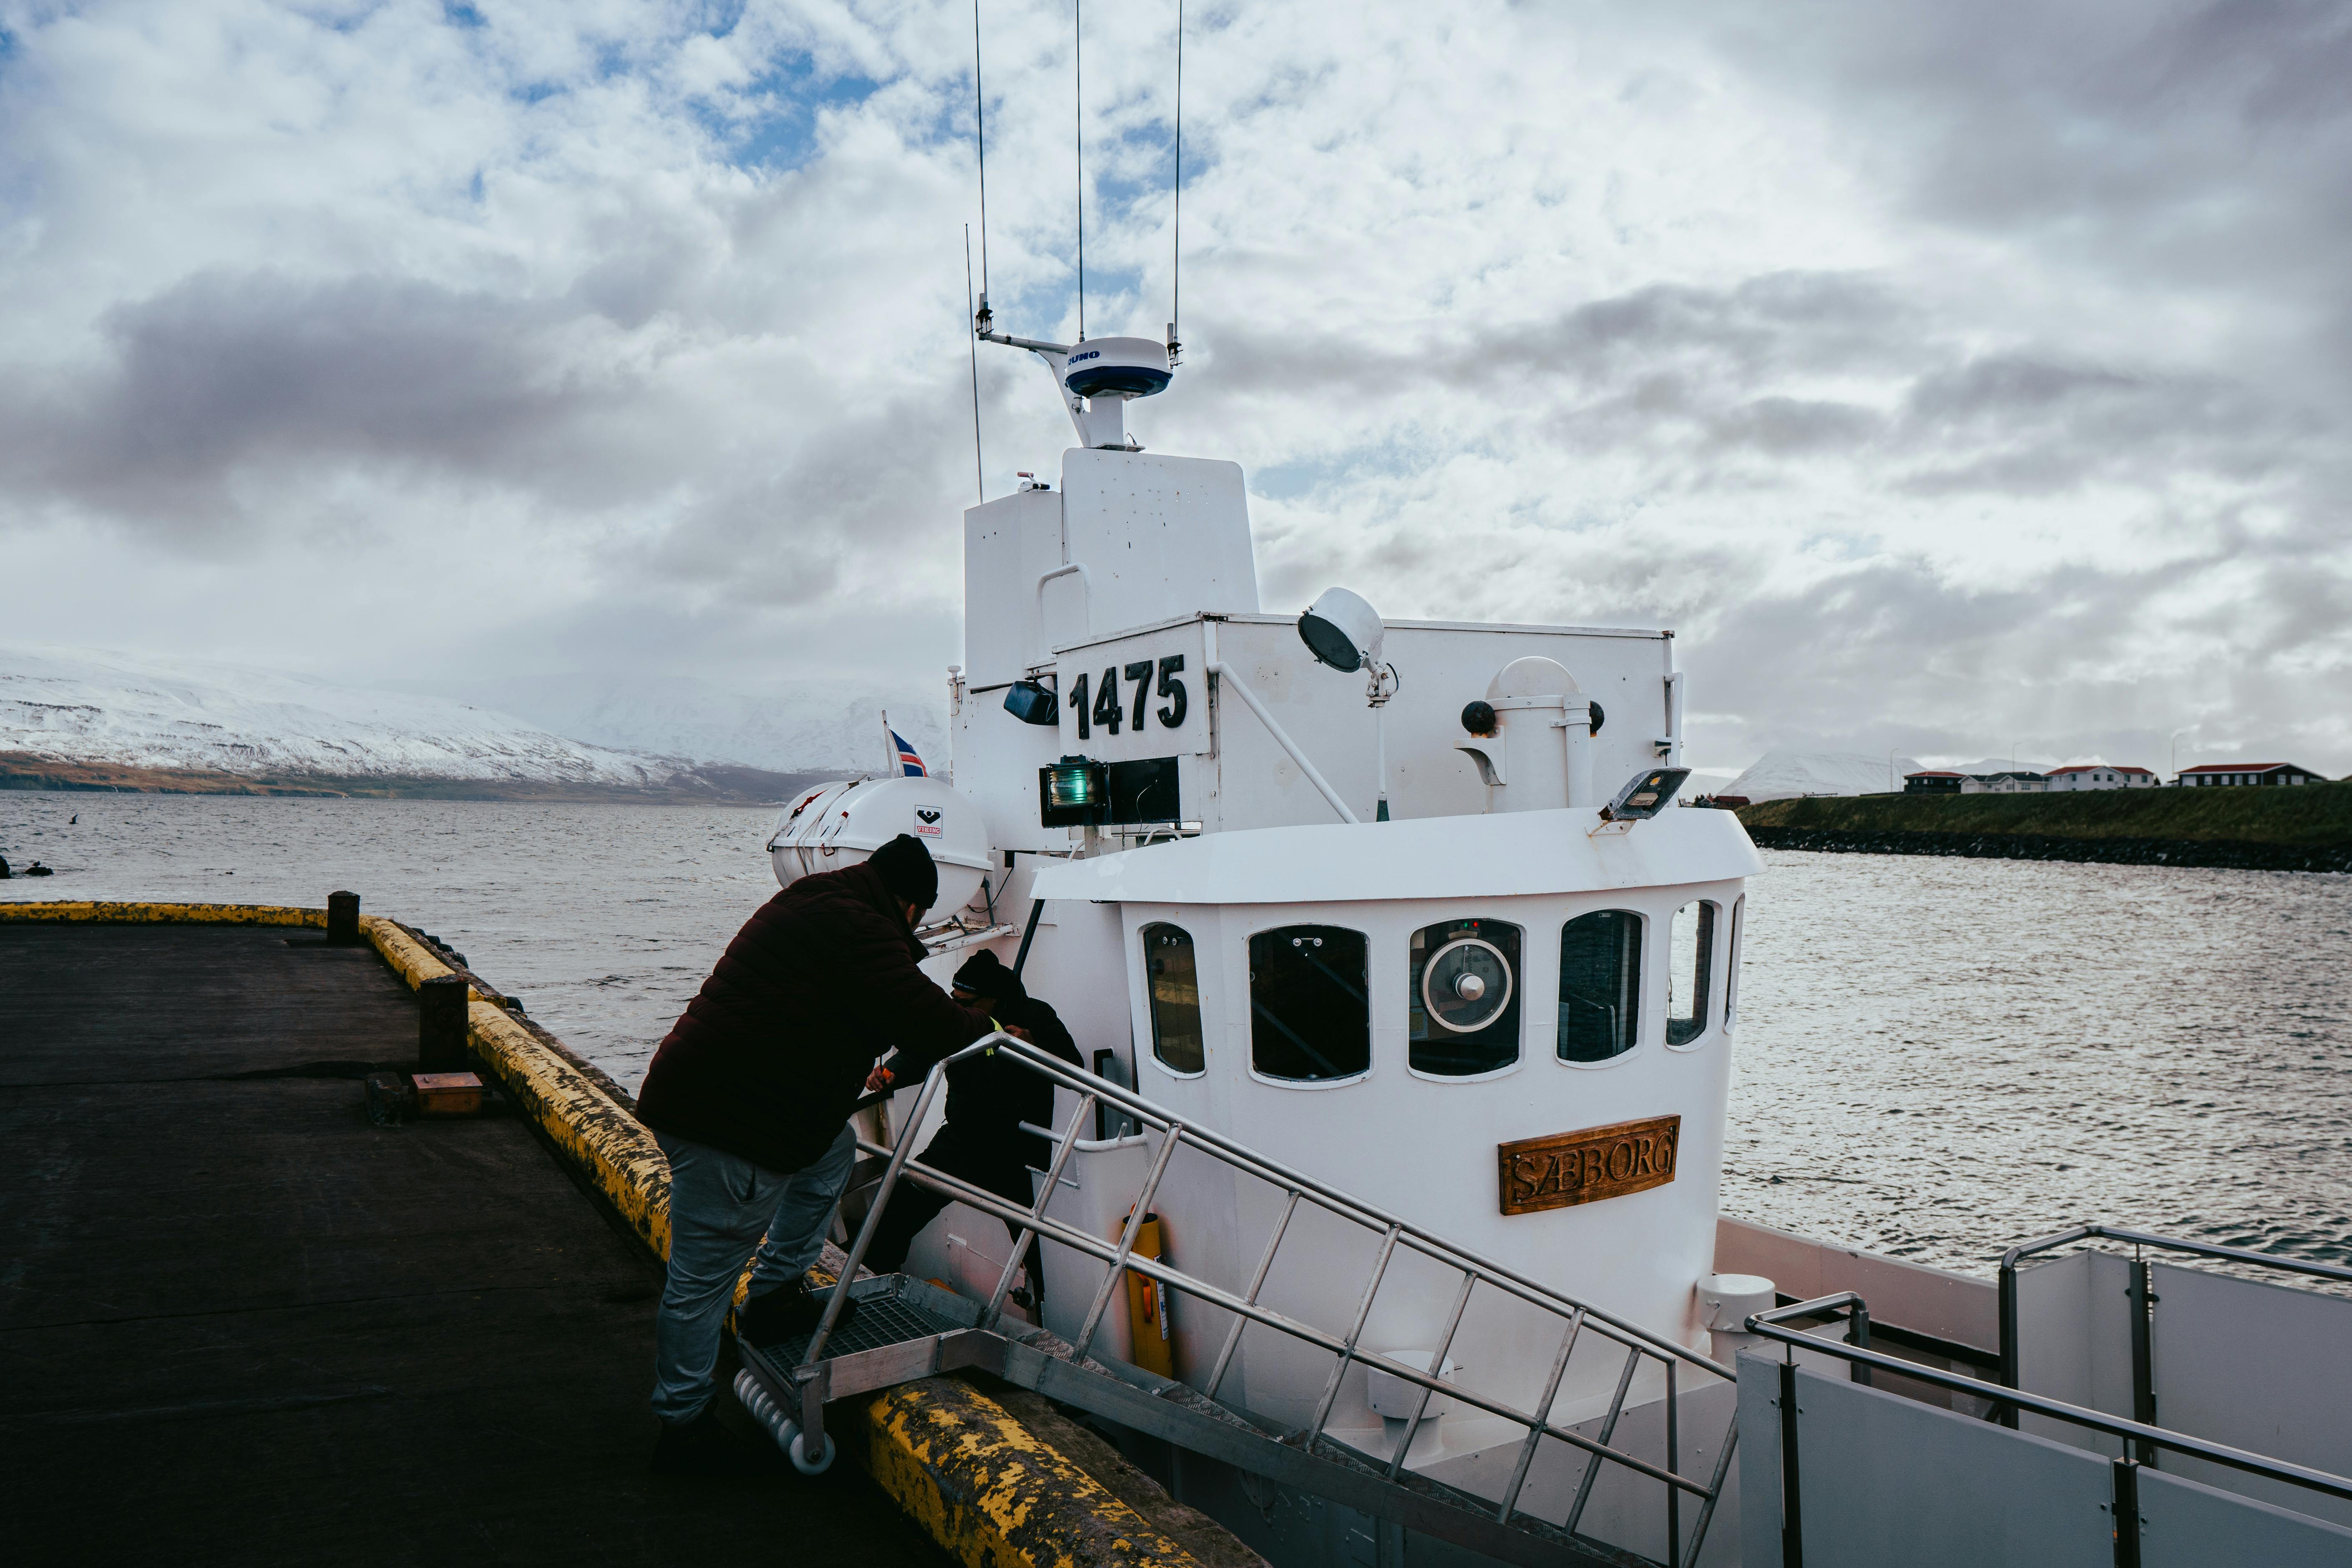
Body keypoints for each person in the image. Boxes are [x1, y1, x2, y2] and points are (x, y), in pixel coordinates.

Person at [634, 833, 999, 1476]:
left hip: (729, 1096)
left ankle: (775, 1296)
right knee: (701, 1281)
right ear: (910, 904)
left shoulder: (821, 899)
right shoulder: (861, 926)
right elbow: (930, 1020)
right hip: (729, 1121)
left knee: (832, 1151)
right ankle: (683, 1424)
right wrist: (991, 1030)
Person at [859, 948, 1084, 1307]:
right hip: (960, 1143)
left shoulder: (1035, 1016)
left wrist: (1034, 1047)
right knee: (895, 1209)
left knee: (1037, 1248)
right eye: (953, 998)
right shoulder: (957, 1019)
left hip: (1017, 1153)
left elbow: (1075, 1068)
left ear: (994, 998)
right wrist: (892, 1073)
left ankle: (1052, 1311)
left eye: (965, 1001)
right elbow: (920, 1051)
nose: (957, 1006)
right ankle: (874, 1292)